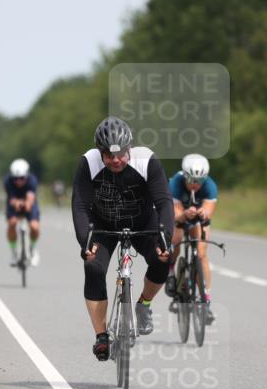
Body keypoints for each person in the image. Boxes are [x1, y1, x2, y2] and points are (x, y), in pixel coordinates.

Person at [72, 116, 174, 361]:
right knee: (93, 266)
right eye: (109, 155)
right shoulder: (89, 162)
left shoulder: (146, 160)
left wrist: (166, 238)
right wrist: (85, 241)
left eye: (120, 154)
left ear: (130, 148)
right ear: (100, 152)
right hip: (103, 225)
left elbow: (164, 202)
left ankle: (144, 303)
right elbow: (80, 205)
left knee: (163, 258)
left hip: (143, 222)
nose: (116, 160)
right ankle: (101, 336)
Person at [165, 154, 218, 323]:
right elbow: (175, 213)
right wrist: (184, 214)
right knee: (175, 239)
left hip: (198, 219)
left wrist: (204, 212)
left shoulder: (209, 186)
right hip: (180, 215)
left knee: (201, 253)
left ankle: (205, 300)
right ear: (185, 176)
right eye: (191, 180)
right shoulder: (175, 183)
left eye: (199, 180)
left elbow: (209, 209)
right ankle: (171, 272)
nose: (195, 184)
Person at [5, 158, 41, 266]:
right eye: (15, 178)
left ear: (26, 176)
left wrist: (26, 205)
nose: (18, 181)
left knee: (34, 227)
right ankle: (13, 252)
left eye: (21, 178)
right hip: (14, 202)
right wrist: (16, 203)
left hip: (29, 202)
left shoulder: (32, 180)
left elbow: (30, 198)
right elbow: (11, 198)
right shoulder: (8, 181)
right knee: (12, 223)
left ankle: (32, 249)